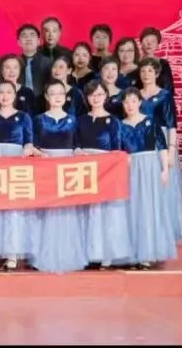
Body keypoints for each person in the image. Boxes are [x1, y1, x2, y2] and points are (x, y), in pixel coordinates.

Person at [0, 81, 38, 272]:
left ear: (15, 95)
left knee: (15, 208)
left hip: (17, 163)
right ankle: (1, 251)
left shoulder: (24, 117)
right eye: (1, 92)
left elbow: (29, 141)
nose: (5, 96)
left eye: (9, 92)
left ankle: (14, 253)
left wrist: (27, 149)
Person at [30, 79, 88, 273]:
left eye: (60, 93)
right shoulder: (38, 119)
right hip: (45, 168)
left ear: (65, 97)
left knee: (66, 210)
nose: (57, 97)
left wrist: (79, 153)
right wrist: (39, 154)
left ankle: (68, 254)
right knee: (45, 211)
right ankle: (41, 255)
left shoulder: (73, 120)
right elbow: (32, 144)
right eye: (52, 93)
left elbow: (76, 144)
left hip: (67, 170)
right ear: (46, 97)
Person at [118, 87, 177, 269]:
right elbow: (117, 149)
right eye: (126, 102)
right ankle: (133, 253)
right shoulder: (119, 125)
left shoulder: (151, 121)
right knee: (131, 209)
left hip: (150, 166)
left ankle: (148, 252)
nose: (130, 105)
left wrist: (164, 170)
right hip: (129, 168)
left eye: (133, 101)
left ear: (139, 102)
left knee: (149, 209)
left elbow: (161, 146)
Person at [76, 80, 131, 270]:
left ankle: (106, 255)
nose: (96, 98)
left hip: (105, 170)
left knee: (105, 212)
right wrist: (78, 151)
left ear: (106, 96)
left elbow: (117, 148)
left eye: (99, 94)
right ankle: (88, 254)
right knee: (86, 212)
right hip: (84, 168)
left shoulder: (113, 121)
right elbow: (75, 142)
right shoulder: (80, 120)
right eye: (92, 95)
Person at [136, 57, 182, 242]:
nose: (146, 74)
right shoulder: (135, 95)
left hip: (161, 141)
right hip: (140, 142)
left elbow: (172, 125)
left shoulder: (165, 95)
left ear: (157, 73)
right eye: (143, 71)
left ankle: (164, 230)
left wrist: (171, 151)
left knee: (163, 185)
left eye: (150, 71)